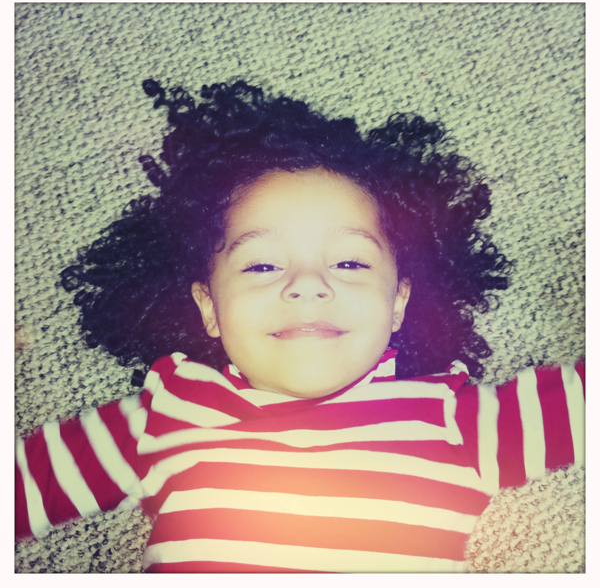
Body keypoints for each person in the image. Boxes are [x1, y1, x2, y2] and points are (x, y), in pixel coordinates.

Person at [15, 79, 585, 572]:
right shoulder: (166, 413)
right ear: (209, 308)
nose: (308, 284)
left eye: (350, 263)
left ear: (398, 304)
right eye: (262, 265)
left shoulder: (456, 422)